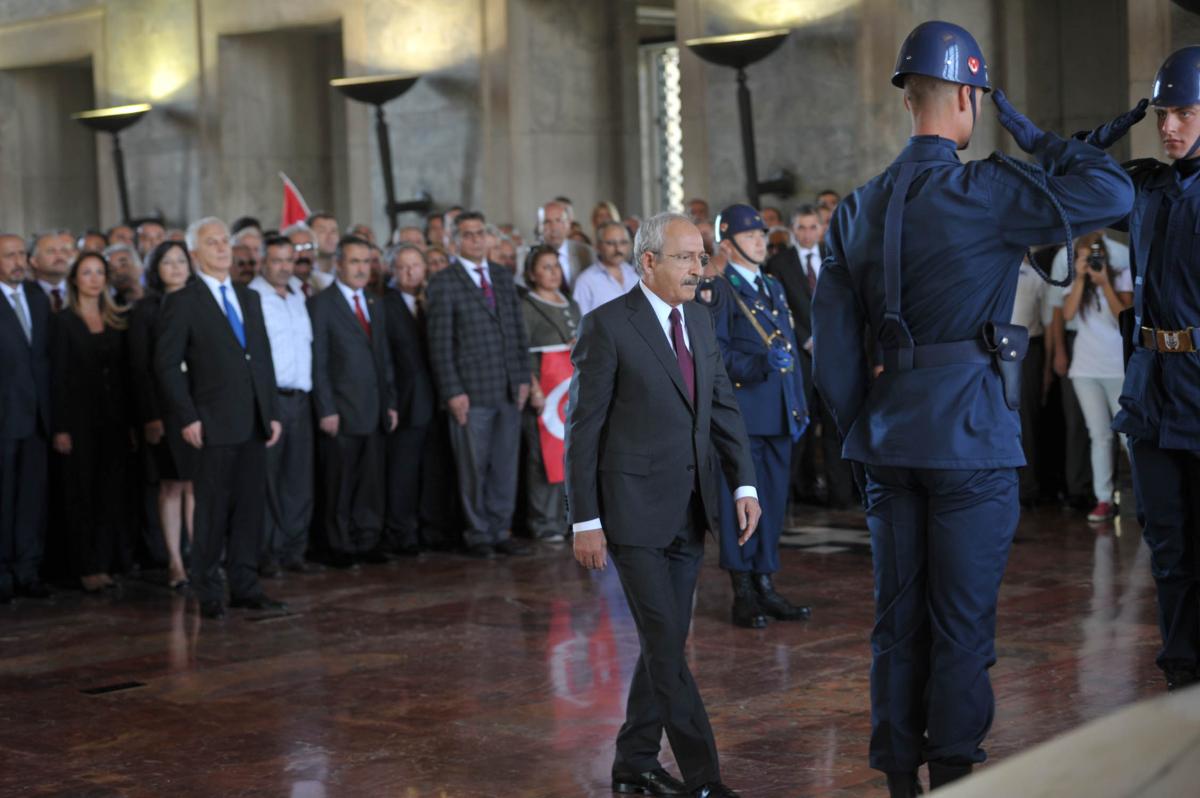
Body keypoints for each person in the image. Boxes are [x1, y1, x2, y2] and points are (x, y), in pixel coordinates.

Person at [811, 21, 1133, 796]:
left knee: (896, 623)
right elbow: (1112, 192)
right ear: (967, 96)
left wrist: (870, 426)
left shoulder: (855, 208)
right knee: (959, 626)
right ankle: (954, 776)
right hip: (971, 440)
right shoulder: (985, 188)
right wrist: (1032, 134)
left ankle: (896, 776)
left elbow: (833, 350)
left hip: (887, 441)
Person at [566, 211, 759, 798]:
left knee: (666, 643)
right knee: (666, 648)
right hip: (630, 515)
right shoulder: (607, 326)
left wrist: (744, 485)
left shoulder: (699, 321)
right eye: (685, 257)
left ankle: (634, 760)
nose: (697, 268)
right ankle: (706, 779)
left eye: (701, 257)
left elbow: (722, 407)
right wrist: (585, 520)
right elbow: (583, 429)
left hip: (690, 509)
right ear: (647, 262)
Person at [1083, 46, 1200, 692]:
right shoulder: (1145, 188)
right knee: (1167, 542)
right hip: (1152, 390)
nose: (1169, 127)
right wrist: (1113, 129)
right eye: (1161, 114)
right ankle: (1180, 669)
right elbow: (1070, 175)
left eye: (1182, 111)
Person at [155, 217, 284, 620]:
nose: (222, 248)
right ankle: (208, 589)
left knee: (249, 508)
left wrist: (272, 411)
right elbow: (165, 365)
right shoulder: (183, 301)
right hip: (210, 423)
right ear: (195, 254)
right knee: (210, 510)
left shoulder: (249, 298)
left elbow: (260, 359)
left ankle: (245, 585)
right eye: (212, 243)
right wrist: (187, 416)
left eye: (225, 241)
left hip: (253, 420)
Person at [705, 204, 810, 629]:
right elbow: (717, 354)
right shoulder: (719, 288)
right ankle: (743, 591)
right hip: (744, 415)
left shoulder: (771, 286)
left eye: (762, 236)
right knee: (740, 503)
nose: (760, 242)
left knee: (772, 501)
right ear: (727, 245)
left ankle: (765, 582)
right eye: (750, 237)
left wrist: (797, 403)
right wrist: (760, 364)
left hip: (779, 412)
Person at [426, 211, 532, 558]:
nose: (474, 239)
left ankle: (501, 529)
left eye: (479, 233)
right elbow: (440, 344)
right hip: (470, 392)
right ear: (455, 241)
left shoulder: (502, 276)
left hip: (507, 388)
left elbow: (517, 333)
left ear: (488, 238)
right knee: (473, 468)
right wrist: (452, 391)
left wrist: (521, 379)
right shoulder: (444, 282)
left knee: (504, 464)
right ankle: (478, 534)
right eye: (467, 234)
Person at [309, 235, 398, 567]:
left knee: (370, 481)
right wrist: (326, 408)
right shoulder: (321, 304)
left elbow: (383, 357)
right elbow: (318, 362)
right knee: (340, 482)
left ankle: (367, 539)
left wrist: (390, 402)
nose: (362, 269)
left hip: (375, 410)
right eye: (355, 262)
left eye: (366, 262)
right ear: (338, 265)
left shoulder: (375, 303)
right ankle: (339, 544)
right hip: (341, 411)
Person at [50, 252, 133, 592]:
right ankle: (85, 566)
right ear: (75, 280)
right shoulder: (63, 321)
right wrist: (61, 426)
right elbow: (57, 377)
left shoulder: (117, 319)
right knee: (81, 493)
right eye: (87, 272)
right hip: (78, 420)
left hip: (113, 419)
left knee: (109, 491)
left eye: (100, 272)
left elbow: (128, 374)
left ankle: (104, 561)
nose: (94, 278)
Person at [764, 204, 854, 508]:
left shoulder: (837, 256)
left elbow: (845, 302)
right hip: (797, 358)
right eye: (800, 227)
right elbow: (779, 308)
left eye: (812, 226)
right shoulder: (779, 263)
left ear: (821, 228)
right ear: (792, 230)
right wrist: (805, 338)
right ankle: (790, 497)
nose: (807, 233)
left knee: (834, 428)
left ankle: (841, 495)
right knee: (799, 428)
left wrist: (829, 339)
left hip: (834, 357)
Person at [128, 241, 199, 591]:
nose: (175, 267)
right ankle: (175, 561)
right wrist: (150, 416)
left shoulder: (202, 301)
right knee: (172, 485)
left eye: (181, 261)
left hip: (199, 407)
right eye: (167, 262)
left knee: (197, 485)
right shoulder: (145, 310)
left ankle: (200, 557)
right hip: (165, 410)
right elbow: (141, 368)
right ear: (156, 268)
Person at [249, 235, 317, 575]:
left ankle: (294, 551)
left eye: (289, 260)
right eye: (277, 260)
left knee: (297, 479)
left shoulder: (298, 297)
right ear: (263, 261)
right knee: (268, 479)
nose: (284, 267)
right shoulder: (252, 297)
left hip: (301, 399)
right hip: (271, 398)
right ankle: (268, 552)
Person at [1058, 234, 1132, 522]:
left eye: (1095, 255)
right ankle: (1103, 499)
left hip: (1116, 367)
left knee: (1128, 437)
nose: (1092, 261)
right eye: (1086, 256)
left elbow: (1122, 317)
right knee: (1098, 436)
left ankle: (1146, 496)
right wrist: (1079, 278)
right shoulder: (1078, 280)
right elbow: (1067, 314)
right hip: (1086, 369)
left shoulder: (1121, 275)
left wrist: (1104, 284)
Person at [0, 232, 53, 602]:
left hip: (37, 419)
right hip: (3, 419)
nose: (18, 261)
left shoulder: (37, 297)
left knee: (32, 499)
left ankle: (28, 570)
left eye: (21, 254)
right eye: (9, 256)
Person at [382, 244, 441, 554]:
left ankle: (431, 530)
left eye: (415, 265)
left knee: (433, 471)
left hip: (439, 400)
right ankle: (402, 534)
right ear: (393, 270)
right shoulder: (385, 305)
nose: (410, 272)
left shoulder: (434, 300)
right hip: (406, 403)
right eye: (403, 267)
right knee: (403, 473)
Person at [520, 246, 580, 542]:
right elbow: (520, 350)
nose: (553, 272)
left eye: (556, 266)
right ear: (531, 273)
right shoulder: (526, 307)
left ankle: (569, 517)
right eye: (546, 267)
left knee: (570, 456)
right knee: (543, 459)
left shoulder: (569, 303)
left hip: (571, 393)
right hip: (544, 394)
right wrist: (531, 386)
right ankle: (545, 521)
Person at [571, 220, 639, 316]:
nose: (618, 249)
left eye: (623, 242)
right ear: (598, 246)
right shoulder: (585, 282)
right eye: (610, 243)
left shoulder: (635, 275)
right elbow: (581, 325)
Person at [537, 200, 594, 292]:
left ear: (569, 224)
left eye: (559, 220)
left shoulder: (586, 253)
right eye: (547, 222)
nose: (554, 227)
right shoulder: (531, 256)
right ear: (539, 227)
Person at [28, 230, 74, 312]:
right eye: (51, 251)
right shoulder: (25, 294)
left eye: (63, 251)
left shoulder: (79, 289)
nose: (59, 256)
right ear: (34, 261)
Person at [306, 211, 340, 290]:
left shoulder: (345, 270)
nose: (330, 237)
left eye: (333, 231)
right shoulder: (303, 271)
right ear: (308, 235)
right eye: (322, 231)